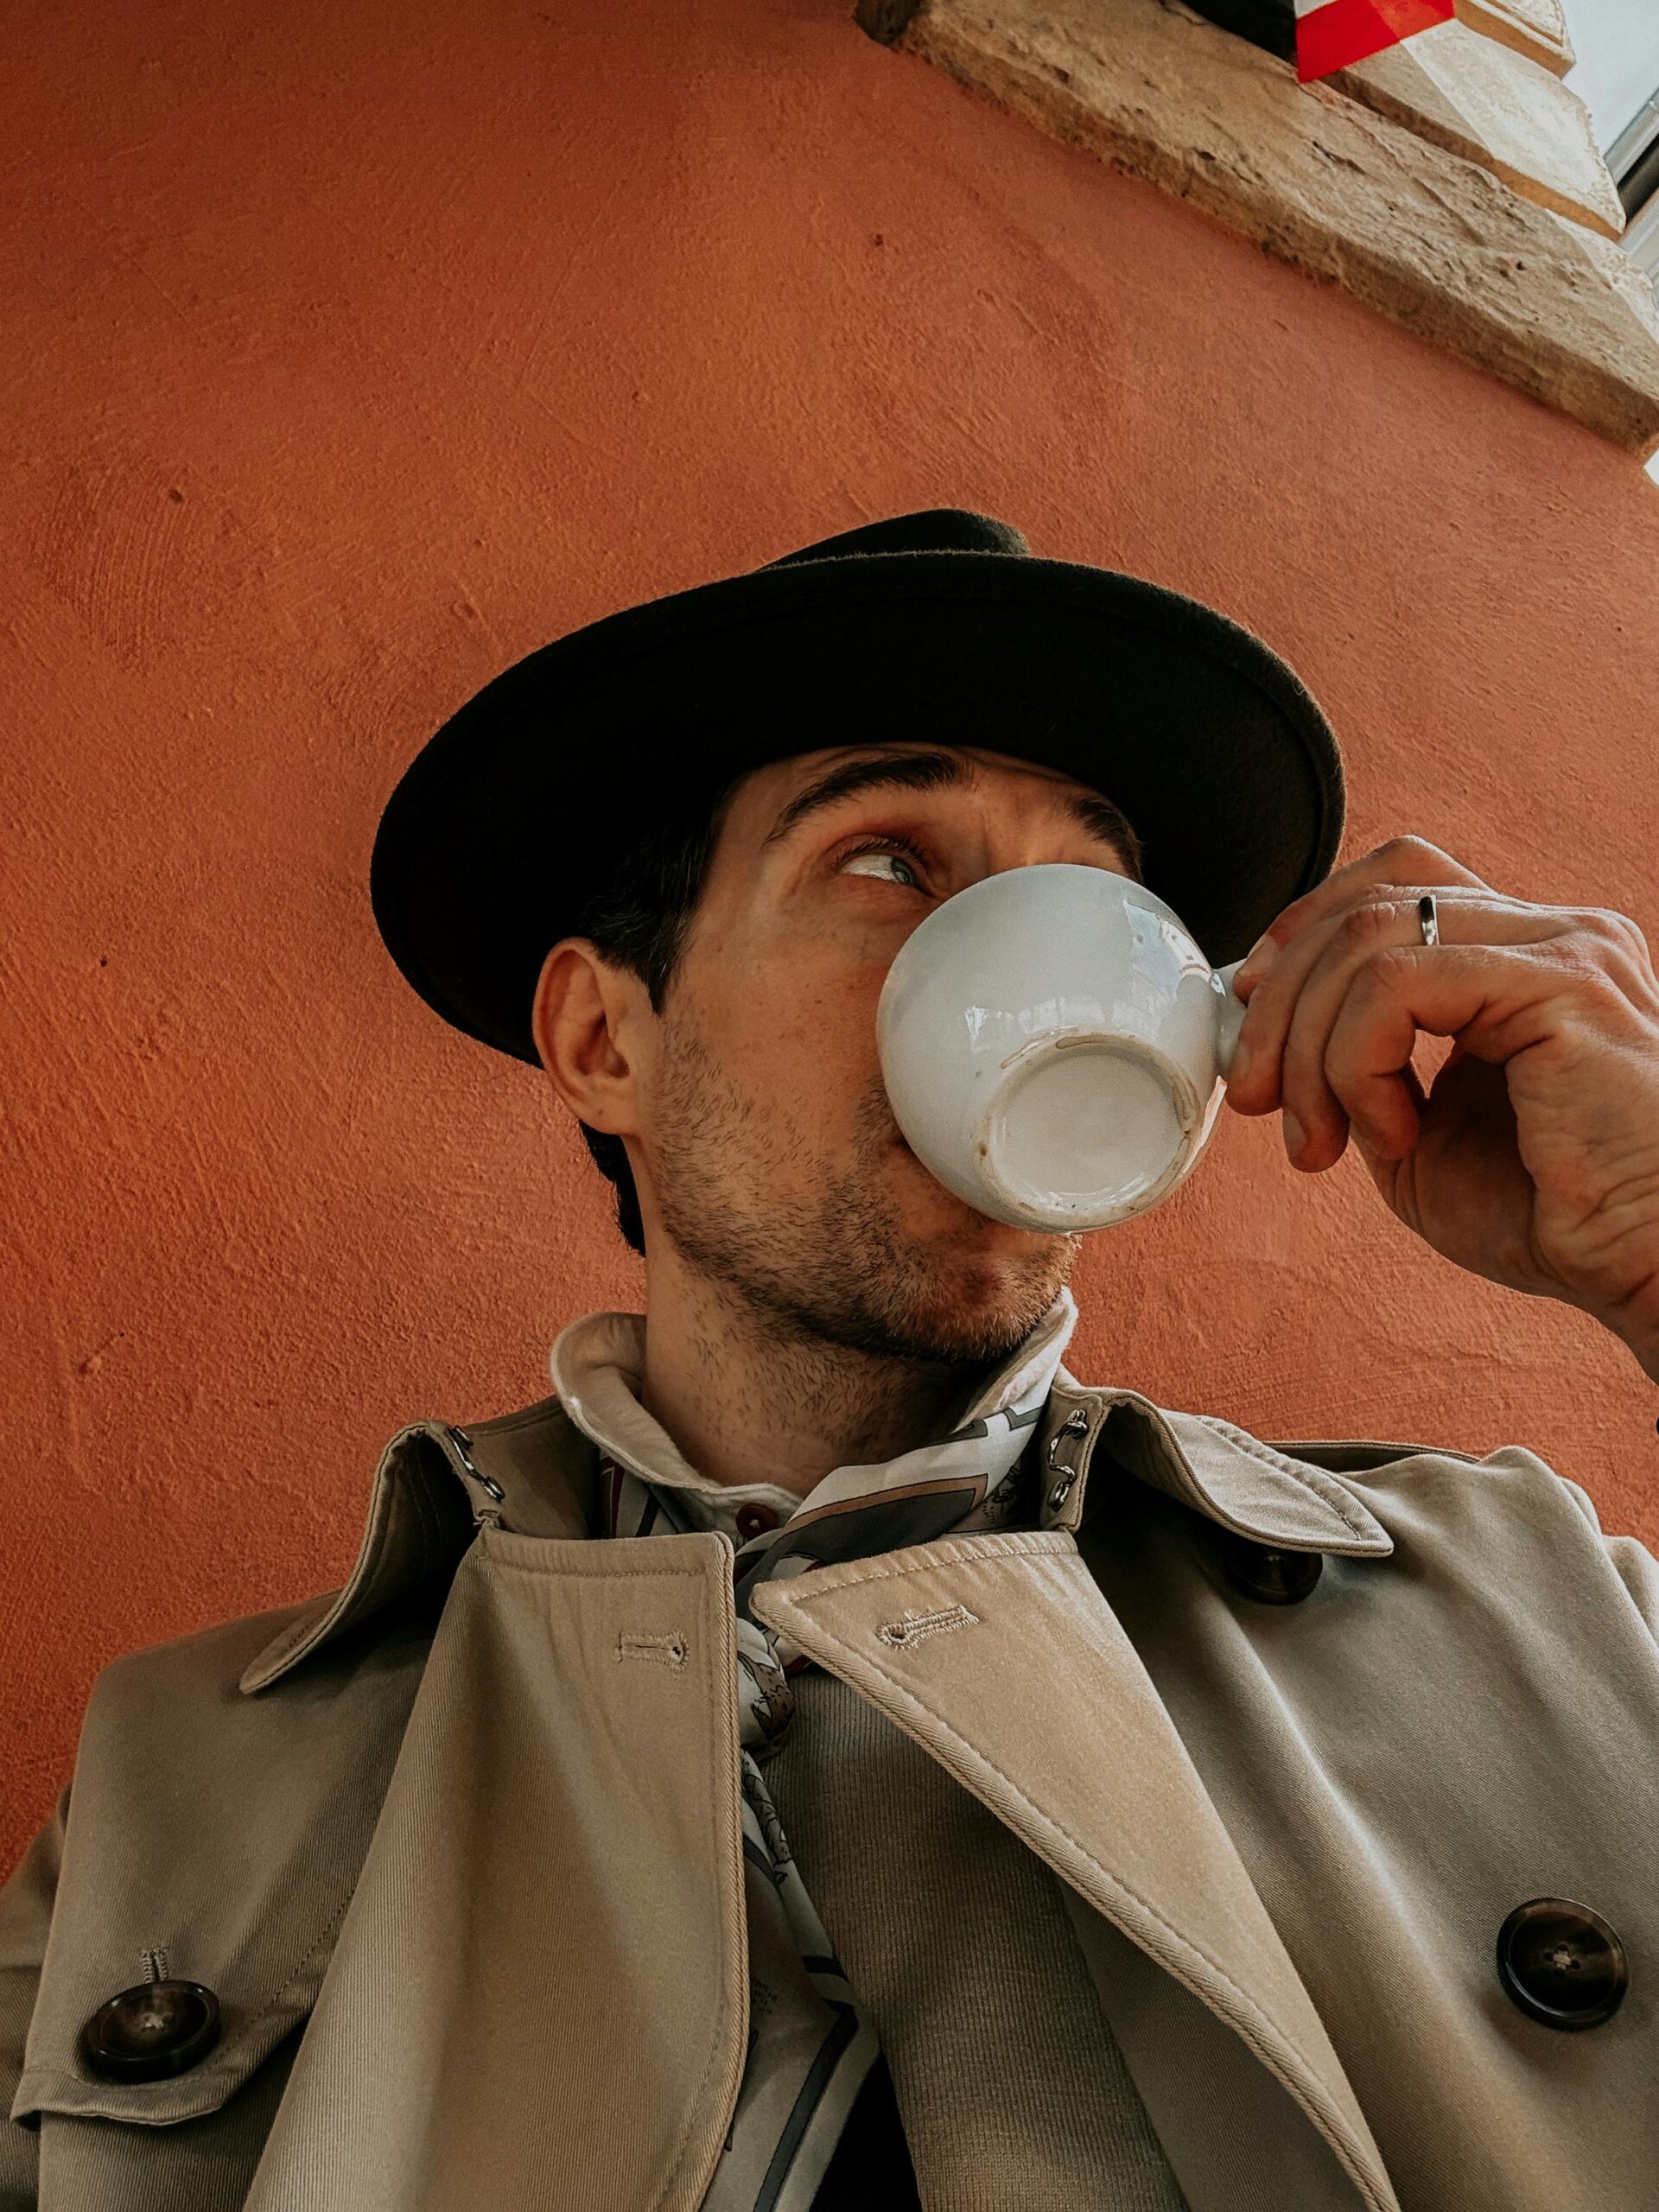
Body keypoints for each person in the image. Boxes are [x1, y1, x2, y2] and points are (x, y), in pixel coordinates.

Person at [4, 507, 1659, 2212]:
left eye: (1096, 895)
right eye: (891, 860)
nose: (1031, 953)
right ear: (603, 1036)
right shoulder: (178, 1782)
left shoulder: (1535, 1606)